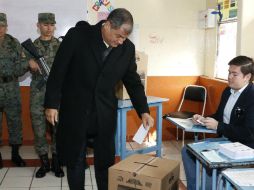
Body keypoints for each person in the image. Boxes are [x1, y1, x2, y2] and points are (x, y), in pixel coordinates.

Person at [44, 8, 154, 190]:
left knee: (105, 162)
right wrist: (51, 104)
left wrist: (143, 110)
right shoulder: (78, 36)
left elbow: (133, 82)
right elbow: (58, 70)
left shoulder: (127, 49)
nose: (120, 42)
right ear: (108, 24)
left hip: (104, 113)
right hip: (76, 109)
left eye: (124, 38)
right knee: (76, 160)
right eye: (118, 36)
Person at [182, 55, 254, 190]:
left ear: (247, 77)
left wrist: (219, 126)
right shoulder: (228, 91)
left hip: (243, 146)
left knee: (209, 172)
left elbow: (249, 133)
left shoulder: (251, 96)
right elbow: (219, 116)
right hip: (225, 140)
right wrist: (203, 119)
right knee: (187, 151)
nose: (229, 77)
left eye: (234, 74)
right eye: (229, 73)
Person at [28, 13, 64, 178]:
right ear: (38, 25)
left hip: (56, 94)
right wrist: (28, 63)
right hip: (37, 94)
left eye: (51, 24)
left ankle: (57, 162)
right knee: (39, 129)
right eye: (45, 24)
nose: (48, 28)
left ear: (54, 26)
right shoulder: (31, 47)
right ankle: (44, 163)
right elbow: (19, 66)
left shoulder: (61, 45)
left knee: (57, 129)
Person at [0, 13, 27, 167]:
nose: (0, 29)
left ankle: (15, 154)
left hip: (11, 87)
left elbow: (23, 63)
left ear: (6, 26)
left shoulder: (13, 42)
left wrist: (14, 72)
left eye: (2, 26)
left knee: (15, 121)